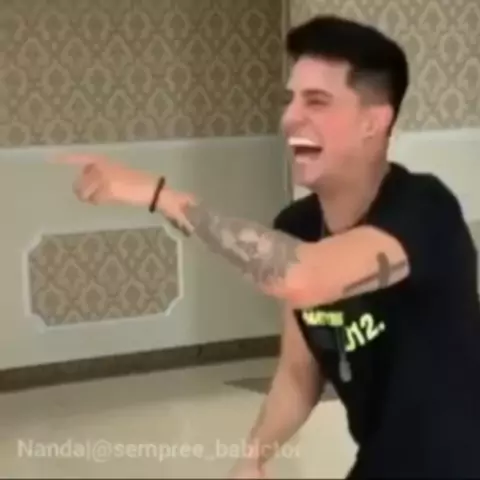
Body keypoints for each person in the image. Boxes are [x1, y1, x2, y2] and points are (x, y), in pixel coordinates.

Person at [59, 14, 480, 479]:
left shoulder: (424, 209)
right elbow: (299, 374)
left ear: (373, 121)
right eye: (290, 100)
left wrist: (162, 197)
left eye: (316, 101)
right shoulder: (297, 225)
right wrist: (255, 456)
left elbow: (303, 276)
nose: (290, 118)